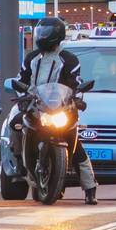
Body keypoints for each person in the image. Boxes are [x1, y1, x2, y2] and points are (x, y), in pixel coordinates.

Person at [18, 15, 99, 205]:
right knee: (15, 126)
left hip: (62, 108)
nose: (42, 36)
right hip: (36, 106)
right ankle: (12, 170)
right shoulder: (31, 58)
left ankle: (90, 188)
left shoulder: (68, 59)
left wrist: (77, 97)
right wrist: (21, 94)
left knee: (75, 144)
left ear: (57, 35)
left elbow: (75, 81)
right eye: (40, 32)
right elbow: (21, 79)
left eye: (46, 33)